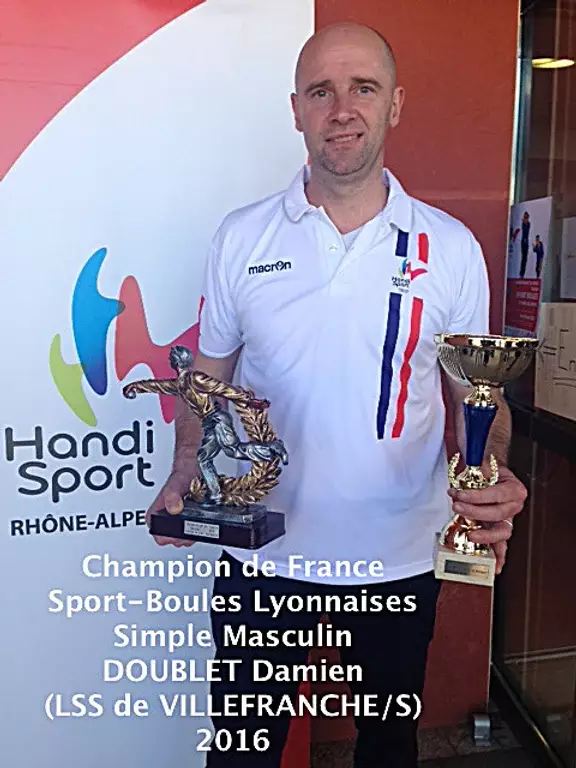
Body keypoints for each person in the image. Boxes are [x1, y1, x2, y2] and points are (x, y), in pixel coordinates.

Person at [145, 22, 528, 768]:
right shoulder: (241, 237)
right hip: (263, 557)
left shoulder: (450, 248)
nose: (342, 109)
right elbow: (206, 380)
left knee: (385, 747)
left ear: (396, 105)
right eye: (321, 92)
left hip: (399, 558)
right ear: (296, 109)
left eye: (364, 88)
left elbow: (478, 396)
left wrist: (494, 472)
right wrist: (186, 472)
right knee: (244, 752)